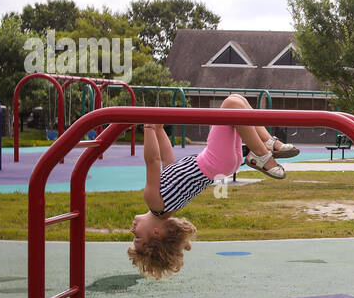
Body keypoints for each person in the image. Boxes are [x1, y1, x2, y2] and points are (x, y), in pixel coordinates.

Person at [128, 94, 298, 279]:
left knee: (238, 101)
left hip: (224, 164)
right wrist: (148, 129)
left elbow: (168, 161)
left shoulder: (168, 208)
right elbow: (152, 161)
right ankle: (261, 155)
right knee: (232, 105)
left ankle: (267, 143)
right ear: (156, 233)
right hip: (215, 160)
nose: (132, 230)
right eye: (137, 237)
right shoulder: (153, 201)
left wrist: (159, 131)